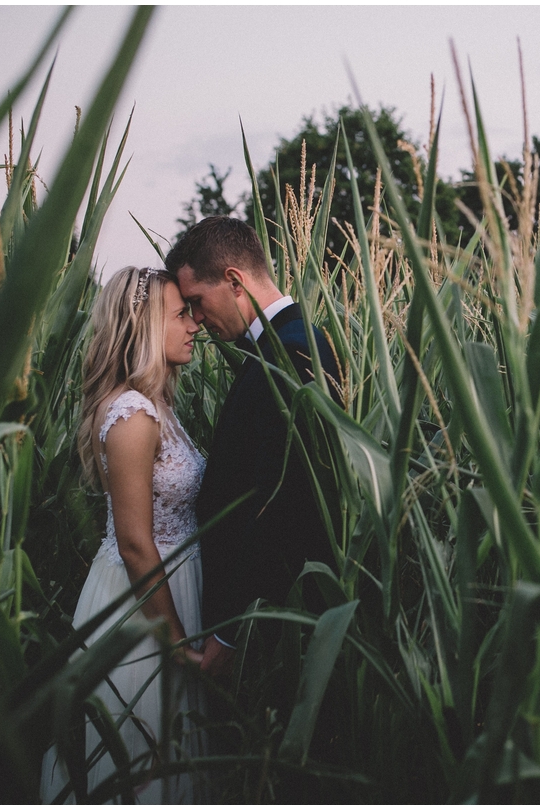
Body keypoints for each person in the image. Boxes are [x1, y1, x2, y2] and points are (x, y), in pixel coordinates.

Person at [39, 266, 206, 803]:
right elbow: (135, 542)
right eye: (181, 315)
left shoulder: (157, 403)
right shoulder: (133, 415)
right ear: (142, 326)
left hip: (167, 586)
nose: (194, 325)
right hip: (143, 605)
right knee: (141, 754)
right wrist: (175, 640)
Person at [164, 216, 342, 680]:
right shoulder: (287, 341)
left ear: (234, 281)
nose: (197, 320)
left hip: (265, 620)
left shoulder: (295, 352)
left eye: (198, 302)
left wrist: (231, 632)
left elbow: (286, 501)